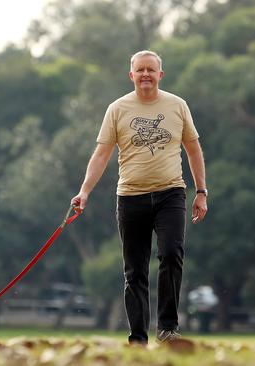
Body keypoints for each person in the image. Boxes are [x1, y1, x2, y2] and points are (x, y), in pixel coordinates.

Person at [71, 50, 208, 345]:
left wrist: (201, 191)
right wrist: (84, 191)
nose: (146, 74)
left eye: (151, 69)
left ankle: (168, 329)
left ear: (161, 74)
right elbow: (101, 154)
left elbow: (194, 149)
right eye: (140, 70)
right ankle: (138, 338)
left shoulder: (177, 106)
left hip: (171, 193)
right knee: (135, 270)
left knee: (171, 254)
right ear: (131, 75)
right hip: (131, 197)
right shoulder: (118, 109)